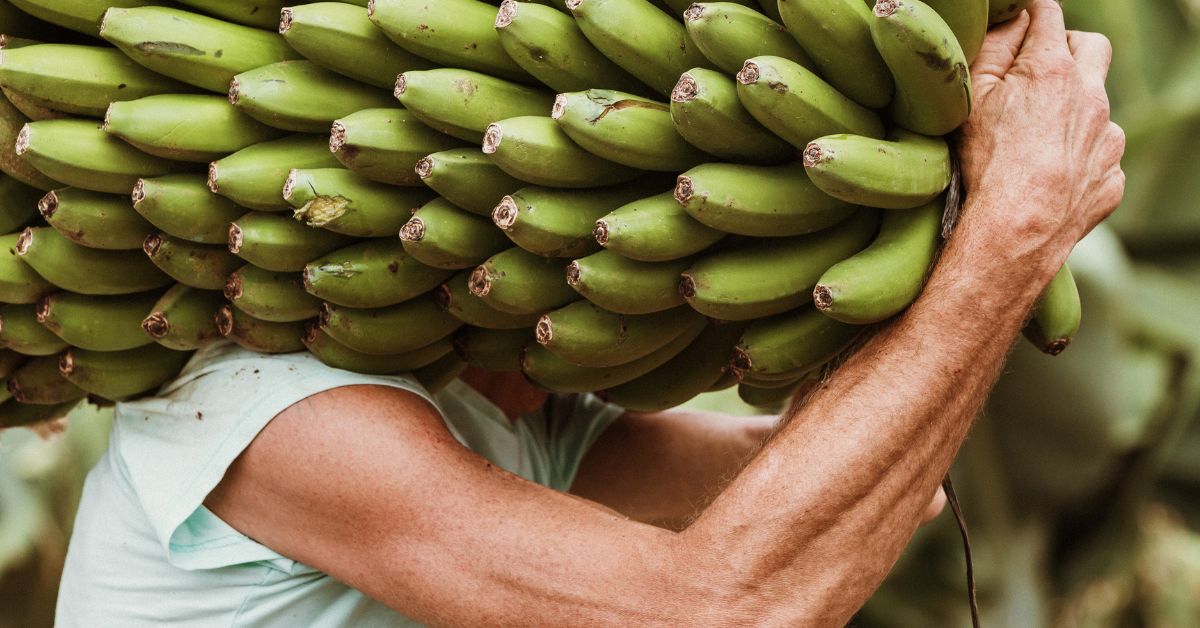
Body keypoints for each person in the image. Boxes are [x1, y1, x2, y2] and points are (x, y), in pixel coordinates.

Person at [54, 2, 1126, 626]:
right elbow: (718, 605)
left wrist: (945, 228)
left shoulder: (507, 420)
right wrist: (1015, 229)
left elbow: (862, 492)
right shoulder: (274, 417)